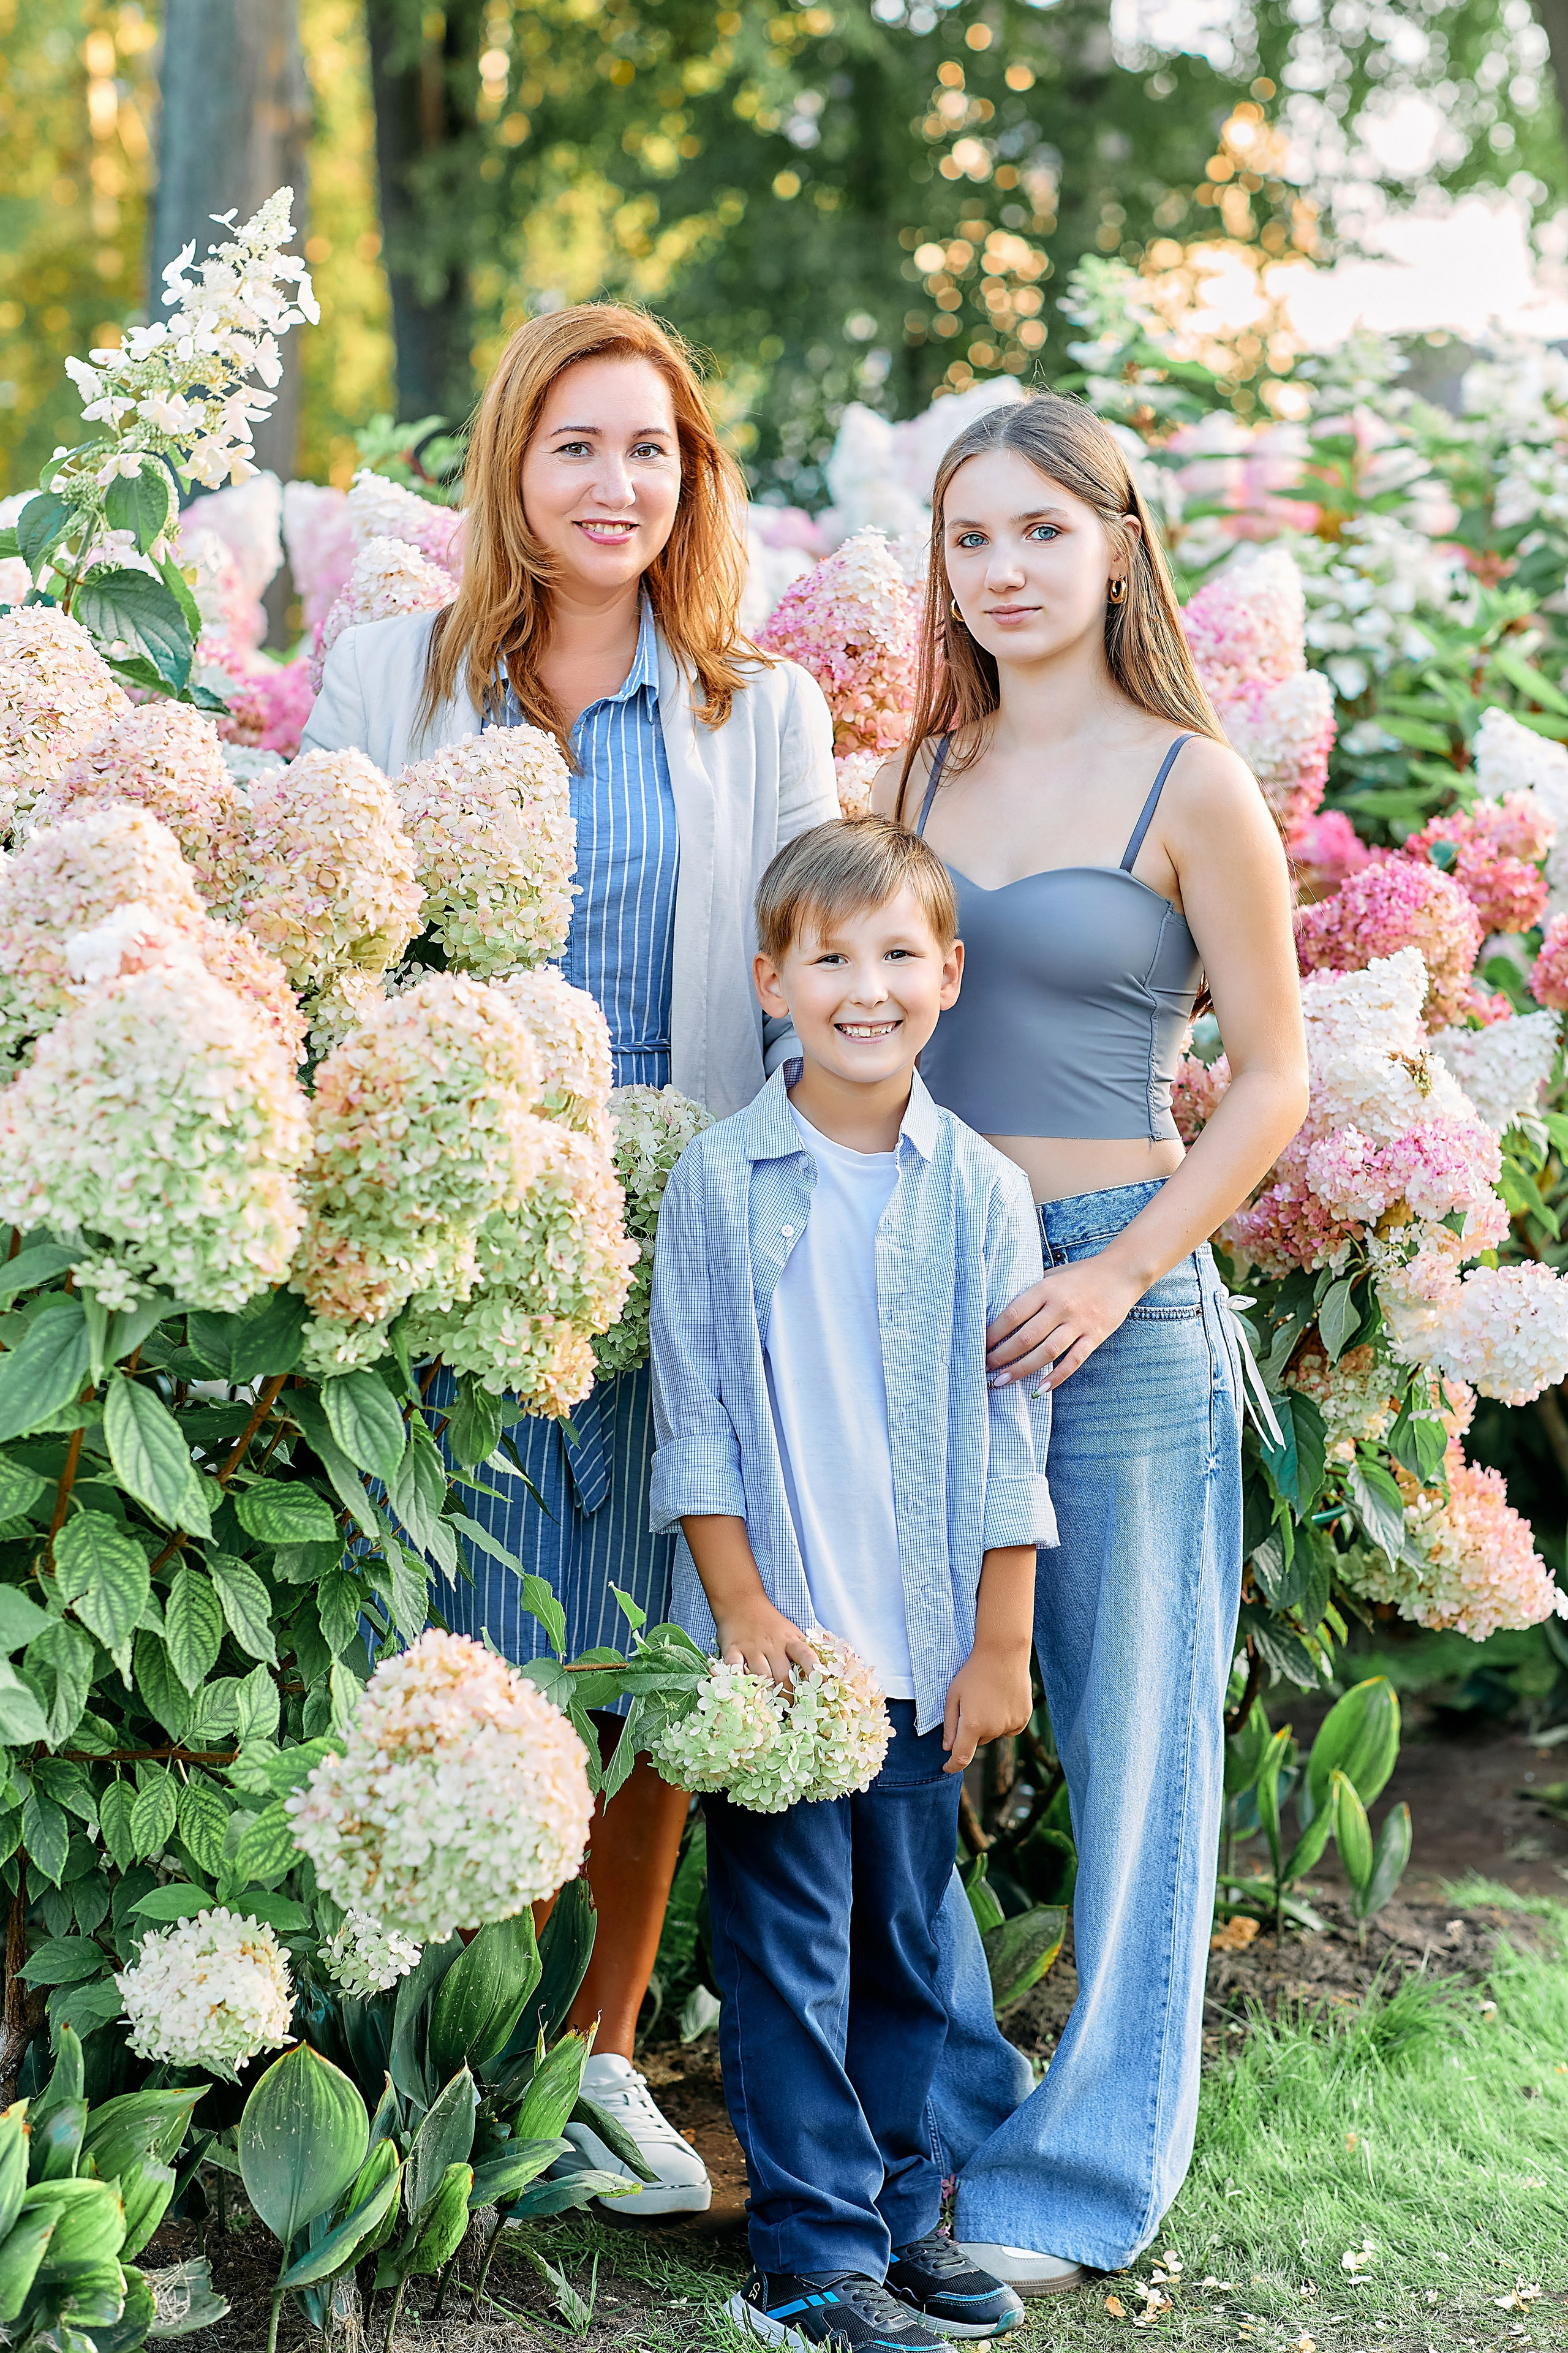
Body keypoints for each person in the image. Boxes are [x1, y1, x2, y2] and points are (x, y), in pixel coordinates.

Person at [300, 302, 839, 2213]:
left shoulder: (757, 709)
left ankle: (599, 2055)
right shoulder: (390, 678)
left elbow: (801, 994)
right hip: (458, 1247)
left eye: (654, 451)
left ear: (692, 481)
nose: (619, 485)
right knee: (461, 1639)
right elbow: (335, 952)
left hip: (675, 1243)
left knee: (650, 1646)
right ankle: (439, 2065)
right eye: (579, 447)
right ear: (513, 471)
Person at [870, 391, 1309, 2292]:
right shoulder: (911, 784)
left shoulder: (1191, 782)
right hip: (923, 1292)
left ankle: (1083, 2179)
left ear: (1119, 543)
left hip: (1113, 1307)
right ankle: (956, 2115)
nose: (1006, 571)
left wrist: (1122, 1272)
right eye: (973, 539)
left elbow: (1274, 1084)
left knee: (1134, 1749)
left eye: (1042, 531)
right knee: (892, 1726)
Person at [649, 816, 1057, 2351]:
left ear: (946, 975)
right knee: (788, 1948)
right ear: (773, 977)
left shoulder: (982, 1193)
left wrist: (997, 1640)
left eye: (897, 954)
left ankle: (904, 2218)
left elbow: (1014, 1443)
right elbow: (692, 1421)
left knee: (905, 1942)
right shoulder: (719, 1179)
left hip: (926, 1647)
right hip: (784, 1668)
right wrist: (742, 1611)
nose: (864, 987)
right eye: (830, 958)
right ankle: (811, 2254)